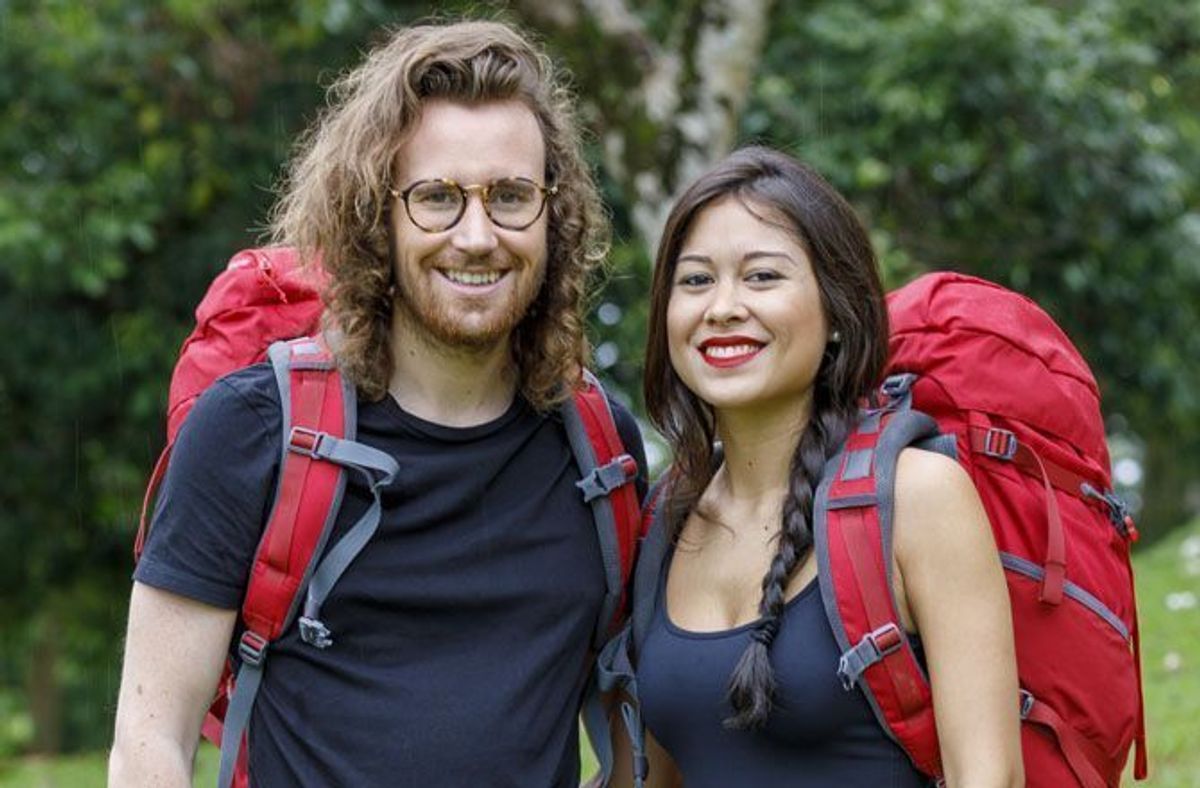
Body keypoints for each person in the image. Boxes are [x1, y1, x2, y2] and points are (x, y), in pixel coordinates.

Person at [109, 20, 645, 787]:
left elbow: (634, 727)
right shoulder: (253, 430)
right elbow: (147, 742)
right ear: (375, 214)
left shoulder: (600, 451)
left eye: (512, 195)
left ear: (553, 213)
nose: (477, 233)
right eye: (435, 197)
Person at [608, 147, 1022, 787]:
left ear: (835, 313)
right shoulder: (666, 516)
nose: (722, 307)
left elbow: (990, 779)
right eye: (695, 281)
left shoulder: (918, 498)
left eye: (762, 277)